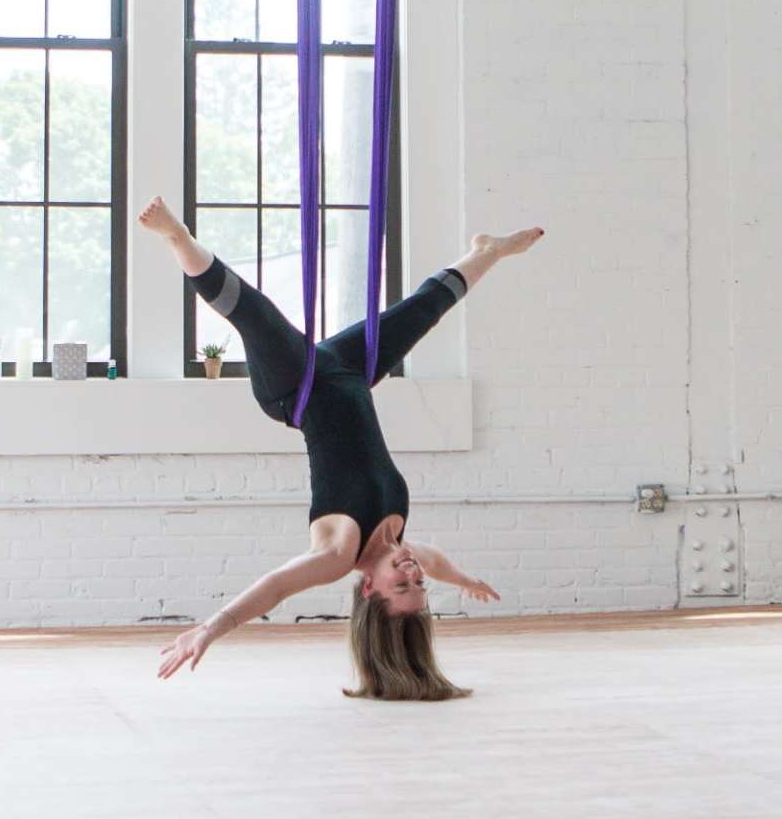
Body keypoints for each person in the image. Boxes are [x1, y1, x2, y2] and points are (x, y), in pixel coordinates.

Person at [137, 198, 538, 701]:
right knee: (421, 311)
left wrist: (209, 629)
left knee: (255, 314)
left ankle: (178, 237)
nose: (412, 574)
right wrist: (466, 581)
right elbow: (440, 565)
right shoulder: (403, 545)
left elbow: (276, 587)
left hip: (295, 388)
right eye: (419, 587)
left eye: (401, 585)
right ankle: (487, 251)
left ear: (368, 589)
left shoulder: (336, 553)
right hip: (347, 374)